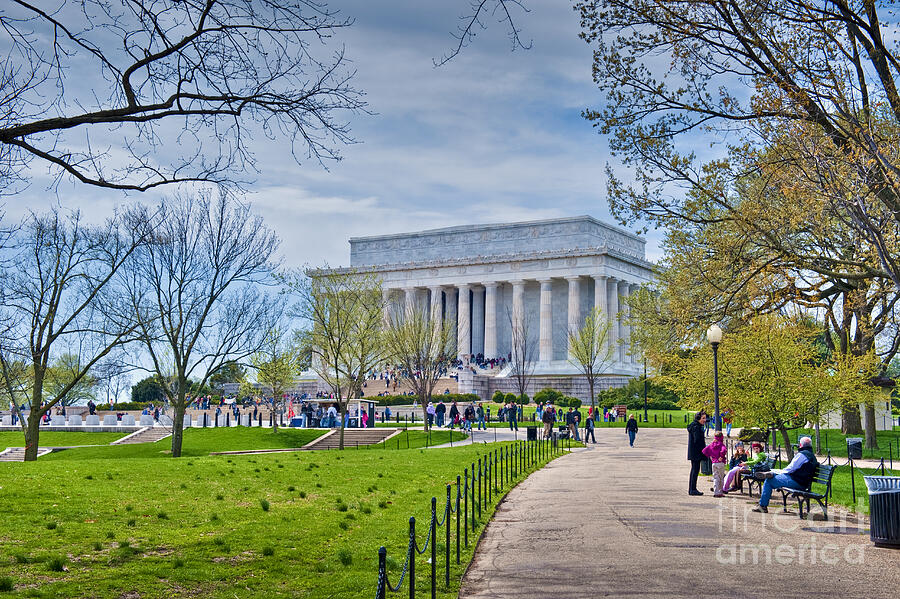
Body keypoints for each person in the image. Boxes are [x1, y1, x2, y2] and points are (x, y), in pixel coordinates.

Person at [753, 436, 818, 513]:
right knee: (773, 476)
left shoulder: (802, 455)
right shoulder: (811, 455)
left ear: (800, 445)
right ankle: (772, 474)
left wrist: (780, 471)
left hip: (797, 482)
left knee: (769, 481)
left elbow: (791, 468)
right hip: (801, 481)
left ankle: (763, 506)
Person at [702, 431, 728, 497]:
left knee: (715, 478)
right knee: (721, 478)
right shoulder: (721, 444)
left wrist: (711, 456)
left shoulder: (712, 444)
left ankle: (716, 492)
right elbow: (724, 450)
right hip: (720, 463)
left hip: (714, 463)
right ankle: (720, 491)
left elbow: (704, 450)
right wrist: (721, 456)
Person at [687, 412, 707, 496]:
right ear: (698, 418)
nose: (704, 420)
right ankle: (692, 489)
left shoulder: (695, 426)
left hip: (694, 452)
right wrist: (704, 449)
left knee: (694, 470)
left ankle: (692, 488)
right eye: (703, 418)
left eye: (705, 418)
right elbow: (697, 440)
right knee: (695, 470)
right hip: (696, 452)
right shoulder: (696, 427)